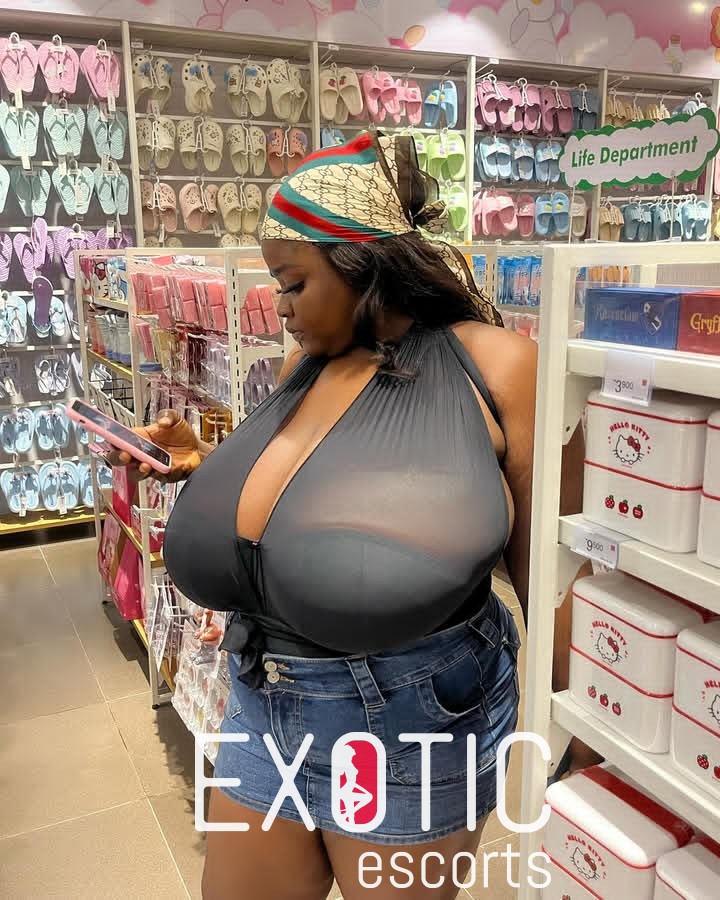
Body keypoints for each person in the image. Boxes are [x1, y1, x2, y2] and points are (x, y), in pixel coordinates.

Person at [118, 132, 592, 900]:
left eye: (293, 282)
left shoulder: (497, 365)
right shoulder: (310, 363)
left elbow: (555, 576)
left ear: (359, 264)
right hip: (261, 694)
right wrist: (199, 460)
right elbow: (318, 482)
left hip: (404, 715)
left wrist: (592, 743)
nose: (279, 306)